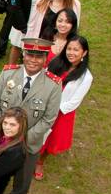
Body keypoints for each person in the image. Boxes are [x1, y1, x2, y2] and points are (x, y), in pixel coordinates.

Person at [0, 38, 63, 194]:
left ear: (46, 58)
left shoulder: (53, 85)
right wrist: (5, 132)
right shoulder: (8, 74)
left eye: (39, 56)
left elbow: (48, 119)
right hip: (3, 136)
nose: (33, 60)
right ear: (23, 54)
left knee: (24, 173)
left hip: (30, 141)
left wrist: (23, 137)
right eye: (30, 54)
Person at [37, 35, 92, 179]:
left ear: (84, 53)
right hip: (43, 103)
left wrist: (53, 108)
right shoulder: (56, 63)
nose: (71, 53)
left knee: (51, 139)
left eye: (76, 50)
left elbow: (75, 101)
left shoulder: (86, 77)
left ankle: (40, 162)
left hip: (61, 112)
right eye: (69, 49)